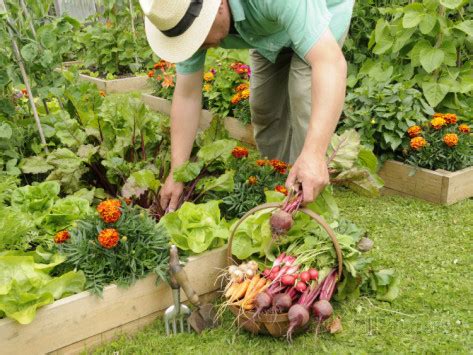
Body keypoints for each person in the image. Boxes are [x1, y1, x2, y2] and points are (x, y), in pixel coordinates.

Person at [139, 0, 354, 211]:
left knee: (303, 98)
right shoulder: (182, 17)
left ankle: (307, 199)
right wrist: (177, 173)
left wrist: (314, 154)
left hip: (319, 13)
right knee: (264, 107)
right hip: (269, 29)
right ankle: (279, 186)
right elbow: (187, 95)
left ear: (219, 6)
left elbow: (329, 63)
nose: (195, 45)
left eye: (198, 35)